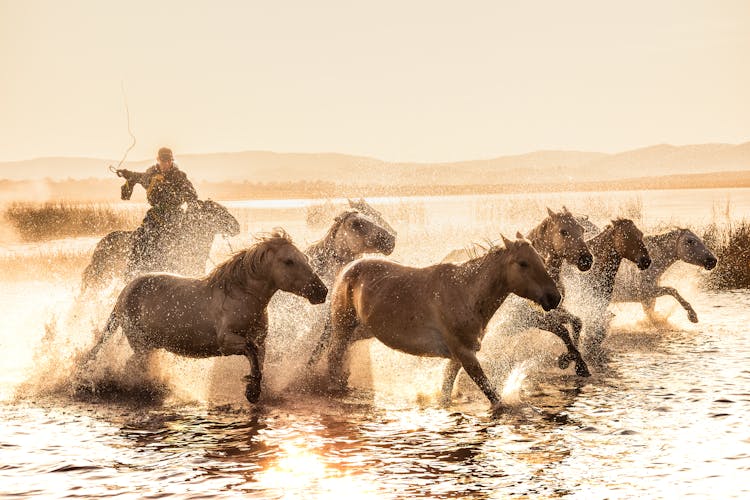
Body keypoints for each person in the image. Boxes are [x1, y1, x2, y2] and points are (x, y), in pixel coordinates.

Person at [116, 147, 199, 274]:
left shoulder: (179, 176)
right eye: (163, 161)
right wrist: (127, 174)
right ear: (158, 160)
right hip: (155, 215)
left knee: (184, 240)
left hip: (175, 215)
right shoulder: (151, 174)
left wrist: (192, 209)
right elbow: (138, 177)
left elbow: (192, 196)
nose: (165, 163)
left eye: (168, 161)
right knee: (142, 236)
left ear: (171, 161)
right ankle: (133, 269)